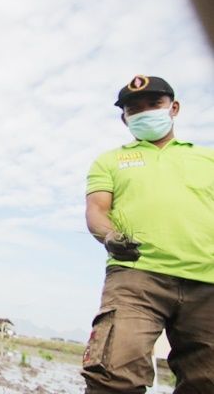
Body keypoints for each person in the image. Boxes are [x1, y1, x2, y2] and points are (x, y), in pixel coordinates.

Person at [82, 75, 214, 393]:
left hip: (207, 283)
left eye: (154, 104)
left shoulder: (207, 158)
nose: (144, 113)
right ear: (124, 117)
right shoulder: (110, 160)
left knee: (207, 381)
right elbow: (97, 210)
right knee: (114, 376)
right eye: (134, 108)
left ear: (174, 107)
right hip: (135, 277)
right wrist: (110, 236)